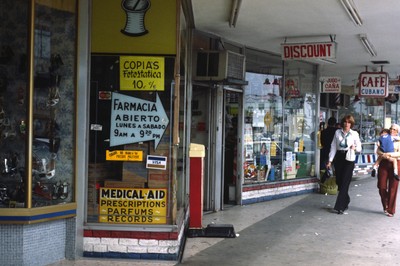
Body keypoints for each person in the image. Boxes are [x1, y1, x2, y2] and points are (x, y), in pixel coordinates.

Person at [326, 114, 362, 214]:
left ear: (351, 124)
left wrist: (355, 148)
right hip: (339, 157)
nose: (347, 124)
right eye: (345, 122)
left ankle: (340, 207)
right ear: (342, 123)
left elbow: (359, 147)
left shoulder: (354, 134)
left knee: (345, 182)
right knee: (339, 181)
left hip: (349, 158)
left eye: (349, 122)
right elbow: (333, 146)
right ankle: (346, 200)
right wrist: (330, 160)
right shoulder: (337, 132)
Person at [376, 124, 400, 217]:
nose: (392, 130)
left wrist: (389, 154)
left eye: (394, 129)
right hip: (384, 163)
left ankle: (390, 210)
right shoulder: (384, 138)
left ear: (397, 131)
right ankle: (385, 203)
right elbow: (378, 151)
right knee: (381, 186)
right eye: (391, 128)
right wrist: (384, 155)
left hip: (395, 164)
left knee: (393, 187)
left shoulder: (399, 140)